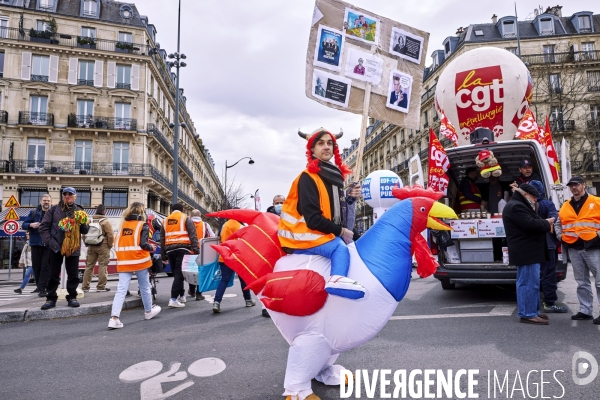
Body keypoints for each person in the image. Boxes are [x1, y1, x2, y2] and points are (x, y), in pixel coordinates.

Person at [279, 128, 363, 299]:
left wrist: (350, 199)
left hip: (321, 233)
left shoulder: (333, 176)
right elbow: (313, 219)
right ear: (312, 150)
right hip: (302, 235)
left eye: (330, 143)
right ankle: (336, 281)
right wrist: (341, 232)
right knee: (339, 249)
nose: (326, 147)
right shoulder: (307, 177)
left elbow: (336, 215)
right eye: (321, 143)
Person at [502, 183, 554, 325]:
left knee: (531, 283)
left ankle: (533, 311)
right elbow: (530, 224)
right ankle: (528, 313)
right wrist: (547, 223)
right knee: (528, 284)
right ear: (525, 194)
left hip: (528, 252)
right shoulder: (517, 206)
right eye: (533, 197)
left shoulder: (518, 204)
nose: (536, 200)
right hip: (526, 252)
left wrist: (542, 221)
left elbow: (531, 221)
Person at [108, 202, 161, 329]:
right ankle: (148, 311)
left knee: (121, 290)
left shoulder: (122, 227)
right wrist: (151, 247)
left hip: (124, 261)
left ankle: (114, 318)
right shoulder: (143, 225)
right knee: (145, 287)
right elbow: (143, 244)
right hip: (139, 260)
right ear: (142, 212)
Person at [555, 176, 600, 324]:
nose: (573, 188)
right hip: (574, 248)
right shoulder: (566, 205)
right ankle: (585, 311)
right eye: (571, 186)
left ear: (583, 185)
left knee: (599, 282)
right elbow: (558, 224)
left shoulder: (596, 201)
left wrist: (597, 236)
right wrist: (561, 236)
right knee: (582, 282)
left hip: (593, 247)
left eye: (576, 185)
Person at [38, 187, 90, 310]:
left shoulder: (79, 210)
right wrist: (51, 242)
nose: (67, 196)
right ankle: (50, 298)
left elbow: (85, 230)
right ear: (62, 196)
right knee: (53, 274)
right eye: (65, 194)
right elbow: (43, 228)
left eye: (70, 194)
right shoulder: (54, 209)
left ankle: (72, 297)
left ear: (75, 196)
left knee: (73, 274)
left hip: (73, 247)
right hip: (56, 246)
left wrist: (83, 222)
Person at [528, 180, 566, 313]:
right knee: (548, 274)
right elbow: (553, 221)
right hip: (547, 244)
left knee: (530, 274)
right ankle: (549, 302)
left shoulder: (525, 205)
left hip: (530, 245)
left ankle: (531, 303)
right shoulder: (547, 204)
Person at [212, 213, 256, 313]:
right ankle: (248, 300)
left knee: (224, 280)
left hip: (225, 256)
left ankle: (216, 302)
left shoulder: (225, 225)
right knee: (243, 280)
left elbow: (219, 239)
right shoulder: (241, 226)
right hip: (238, 257)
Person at [160, 203, 199, 308]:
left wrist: (163, 255)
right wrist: (196, 250)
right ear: (182, 210)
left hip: (169, 249)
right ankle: (173, 299)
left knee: (176, 273)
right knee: (179, 274)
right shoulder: (185, 218)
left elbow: (162, 239)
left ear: (171, 210)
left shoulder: (165, 220)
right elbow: (193, 235)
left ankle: (181, 295)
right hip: (183, 248)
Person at [22, 194, 52, 296]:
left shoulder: (53, 213)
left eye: (48, 200)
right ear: (41, 201)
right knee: (36, 267)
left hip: (48, 244)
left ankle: (42, 288)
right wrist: (31, 225)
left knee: (45, 267)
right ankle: (40, 287)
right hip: (35, 243)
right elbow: (23, 224)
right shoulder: (34, 212)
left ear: (50, 202)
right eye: (44, 200)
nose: (46, 202)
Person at [82, 204, 114, 293]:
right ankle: (101, 287)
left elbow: (84, 234)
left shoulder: (89, 220)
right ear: (104, 211)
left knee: (89, 266)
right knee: (103, 265)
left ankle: (85, 287)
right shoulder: (106, 222)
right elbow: (110, 235)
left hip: (91, 246)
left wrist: (87, 243)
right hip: (103, 246)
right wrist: (110, 245)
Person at [188, 209, 215, 301]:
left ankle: (191, 290)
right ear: (200, 216)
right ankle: (199, 293)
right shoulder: (205, 225)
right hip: (201, 252)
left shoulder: (187, 223)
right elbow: (212, 236)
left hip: (189, 251)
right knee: (200, 272)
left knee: (191, 271)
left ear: (191, 216)